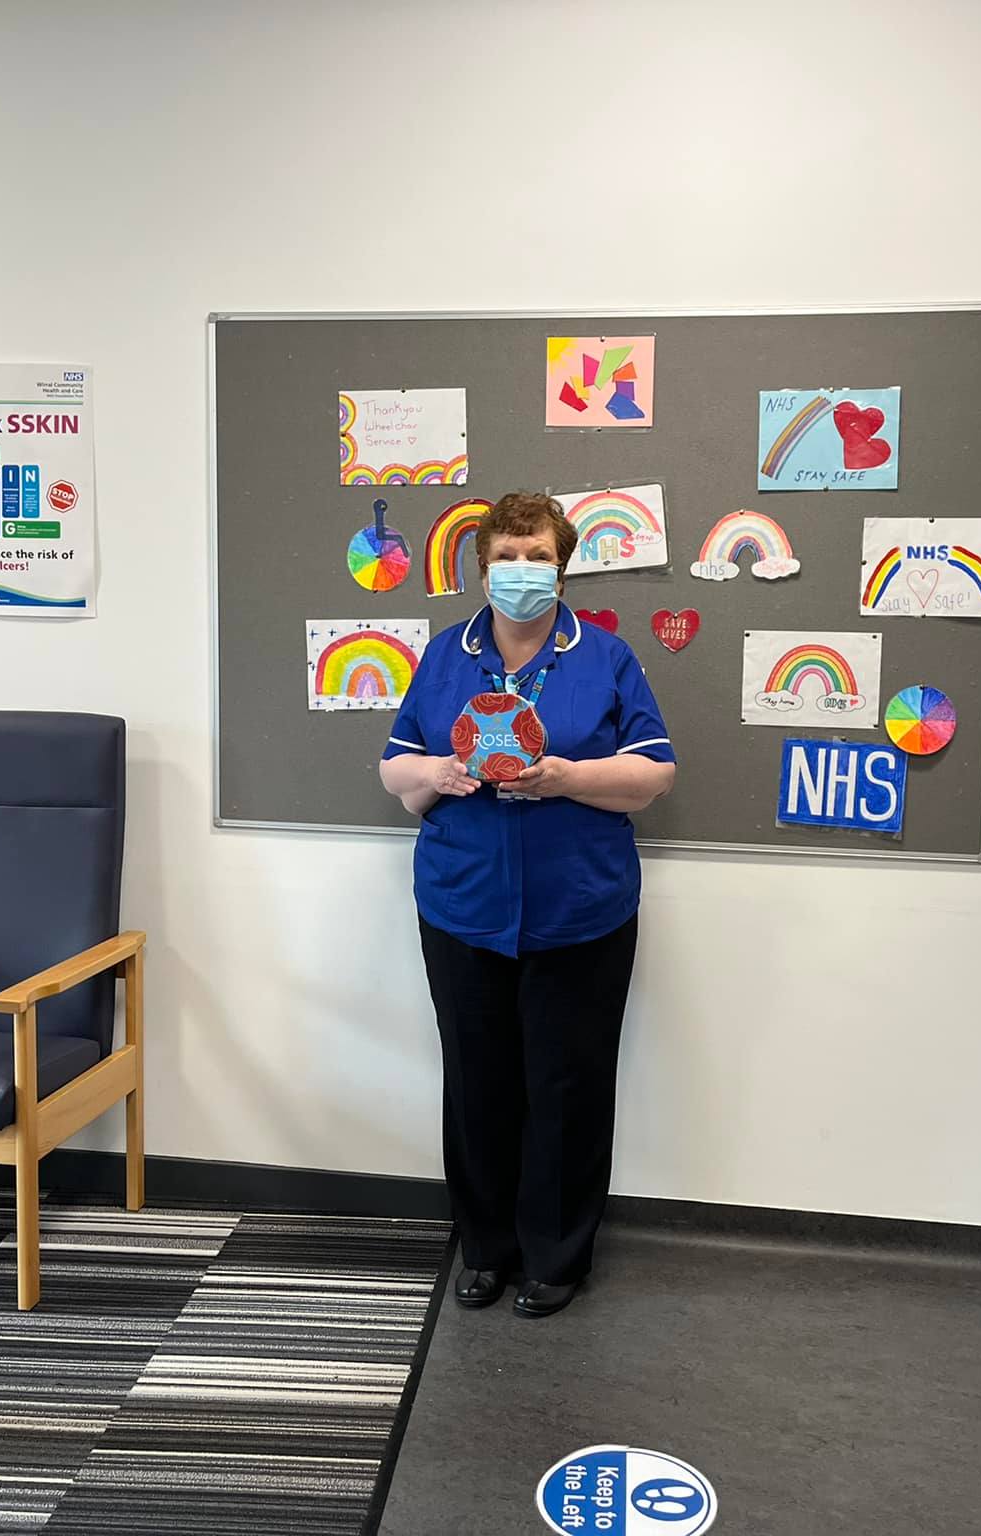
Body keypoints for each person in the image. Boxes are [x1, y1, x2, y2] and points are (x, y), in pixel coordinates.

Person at [379, 491, 676, 1319]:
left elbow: (655, 773)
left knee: (568, 1086)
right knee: (477, 1084)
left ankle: (556, 1255)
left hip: (581, 911)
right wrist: (436, 772)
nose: (520, 571)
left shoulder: (606, 656)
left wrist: (568, 778)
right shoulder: (444, 656)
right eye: (505, 557)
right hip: (462, 906)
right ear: (482, 569)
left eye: (536, 556)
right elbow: (396, 771)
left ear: (562, 568)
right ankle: (484, 1249)